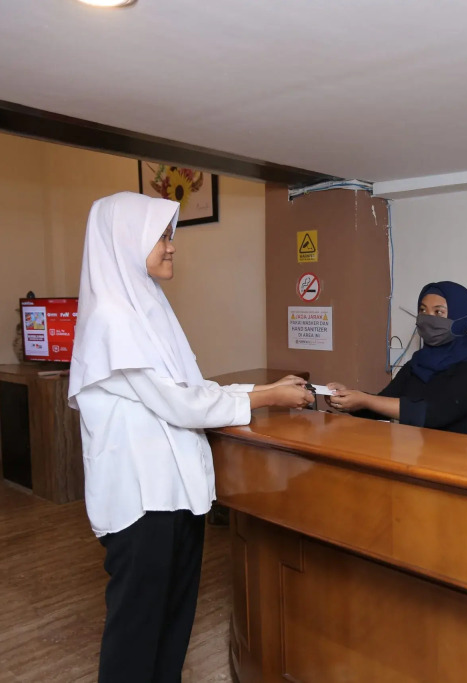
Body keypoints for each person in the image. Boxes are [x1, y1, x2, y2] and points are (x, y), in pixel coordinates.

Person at [68, 191, 312, 683]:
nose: (172, 245)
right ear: (125, 240)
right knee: (137, 633)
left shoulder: (147, 307)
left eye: (170, 234)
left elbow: (192, 389)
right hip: (141, 501)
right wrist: (266, 398)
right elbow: (180, 404)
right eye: (161, 236)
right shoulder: (112, 318)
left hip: (175, 493)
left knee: (173, 625)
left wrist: (263, 390)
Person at [326, 280, 467, 439]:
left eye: (438, 312)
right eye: (423, 310)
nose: (428, 318)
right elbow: (382, 405)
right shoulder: (418, 364)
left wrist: (364, 399)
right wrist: (347, 399)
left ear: (460, 318)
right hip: (430, 457)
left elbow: (433, 414)